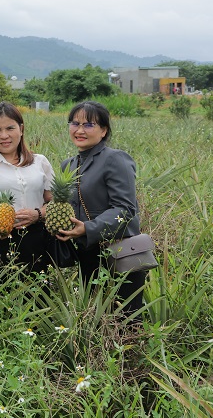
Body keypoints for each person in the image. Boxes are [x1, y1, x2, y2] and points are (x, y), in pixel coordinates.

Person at [55, 100, 146, 315]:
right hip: (87, 253)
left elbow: (125, 209)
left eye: (89, 125)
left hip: (120, 252)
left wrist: (88, 228)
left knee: (125, 320)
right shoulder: (68, 165)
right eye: (74, 123)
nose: (79, 130)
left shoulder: (115, 159)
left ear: (103, 131)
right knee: (94, 316)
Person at [0, 102, 54, 280]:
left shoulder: (40, 161)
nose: (4, 135)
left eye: (10, 128)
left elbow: (53, 201)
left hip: (36, 237)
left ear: (21, 129)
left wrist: (38, 214)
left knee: (36, 295)